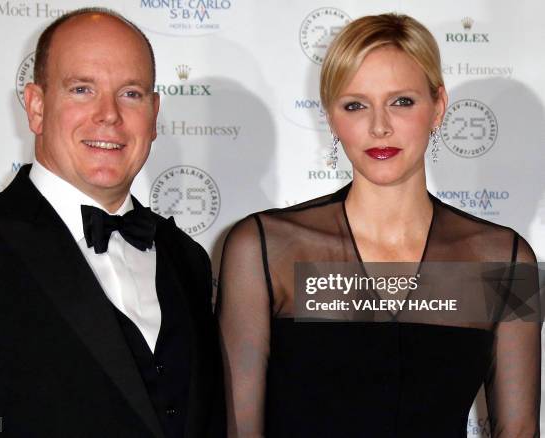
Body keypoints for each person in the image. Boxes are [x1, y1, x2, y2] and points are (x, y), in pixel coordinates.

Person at [217, 13, 541, 437]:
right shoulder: (265, 249)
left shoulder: (505, 259)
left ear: (438, 107)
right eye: (355, 105)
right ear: (332, 119)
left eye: (401, 101)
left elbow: (519, 431)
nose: (379, 125)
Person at [0, 8, 224, 438]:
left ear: (154, 113)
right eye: (82, 89)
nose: (108, 114)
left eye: (131, 94)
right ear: (35, 106)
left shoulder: (189, 259)